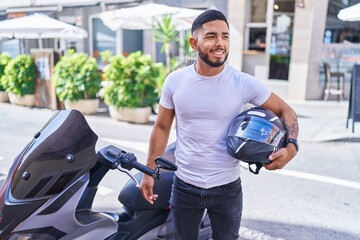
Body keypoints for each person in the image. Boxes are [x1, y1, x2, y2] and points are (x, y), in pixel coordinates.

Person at [140, 9, 299, 240]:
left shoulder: (242, 82)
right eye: (211, 36)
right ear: (194, 43)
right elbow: (162, 127)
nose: (220, 43)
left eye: (225, 36)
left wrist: (292, 148)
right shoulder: (175, 81)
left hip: (227, 188)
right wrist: (150, 172)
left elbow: (287, 111)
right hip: (185, 185)